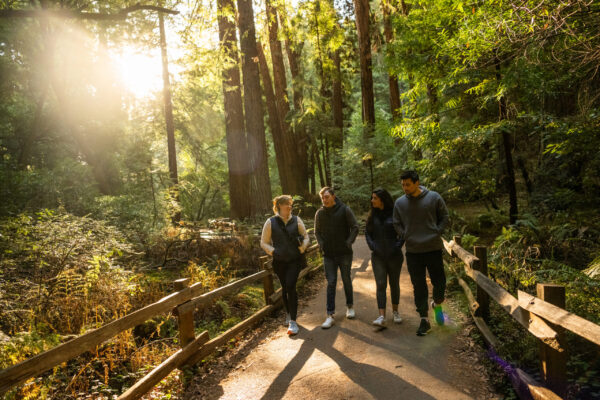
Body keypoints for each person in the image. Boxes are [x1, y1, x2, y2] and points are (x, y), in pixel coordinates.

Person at [393, 171, 449, 336]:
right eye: (402, 185)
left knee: (440, 282)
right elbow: (396, 222)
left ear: (417, 183)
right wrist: (405, 235)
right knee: (419, 286)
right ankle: (424, 319)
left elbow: (444, 216)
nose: (405, 188)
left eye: (408, 184)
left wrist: (437, 231)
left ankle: (437, 304)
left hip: (433, 248)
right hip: (413, 251)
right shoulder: (400, 203)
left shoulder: (433, 197)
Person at [261, 195, 310, 336]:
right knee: (285, 287)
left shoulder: (296, 220)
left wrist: (301, 249)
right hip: (280, 262)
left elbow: (306, 236)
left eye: (290, 204)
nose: (290, 207)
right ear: (279, 206)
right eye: (287, 204)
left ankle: (293, 322)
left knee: (290, 285)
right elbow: (263, 242)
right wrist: (273, 252)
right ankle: (288, 313)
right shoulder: (270, 222)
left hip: (294, 260)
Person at [314, 187, 359, 329]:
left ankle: (350, 307)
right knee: (331, 282)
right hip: (329, 255)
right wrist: (322, 245)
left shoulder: (344, 210)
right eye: (322, 198)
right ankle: (330, 315)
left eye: (326, 197)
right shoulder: (320, 213)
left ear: (333, 196)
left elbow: (355, 227)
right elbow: (317, 232)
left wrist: (348, 242)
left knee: (346, 279)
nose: (324, 200)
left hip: (344, 253)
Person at [365, 188, 404, 327]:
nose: (372, 200)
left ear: (382, 199)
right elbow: (367, 233)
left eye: (374, 198)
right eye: (372, 198)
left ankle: (395, 312)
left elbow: (402, 232)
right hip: (378, 256)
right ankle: (381, 316)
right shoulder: (372, 215)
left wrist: (397, 246)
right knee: (381, 284)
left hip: (394, 256)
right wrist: (372, 246)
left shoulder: (394, 214)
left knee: (394, 283)